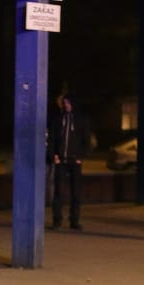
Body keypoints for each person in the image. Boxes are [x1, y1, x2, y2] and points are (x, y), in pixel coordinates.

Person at [50, 95, 91, 230]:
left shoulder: (81, 120)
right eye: (64, 103)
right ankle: (57, 220)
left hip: (75, 161)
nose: (66, 105)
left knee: (76, 192)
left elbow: (87, 140)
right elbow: (52, 139)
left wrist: (81, 156)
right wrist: (54, 155)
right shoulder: (58, 120)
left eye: (68, 102)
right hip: (61, 161)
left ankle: (74, 220)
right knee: (58, 192)